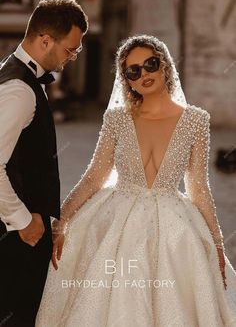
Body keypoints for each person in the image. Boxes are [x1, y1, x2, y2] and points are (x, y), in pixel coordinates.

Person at [36, 35, 236, 327]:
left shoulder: (197, 120)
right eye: (133, 71)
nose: (144, 74)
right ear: (126, 80)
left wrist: (217, 245)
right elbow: (95, 176)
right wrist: (61, 222)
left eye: (150, 64)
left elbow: (198, 187)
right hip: (116, 223)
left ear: (164, 66)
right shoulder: (117, 119)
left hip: (175, 230)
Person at [0, 0, 88, 327]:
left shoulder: (16, 76)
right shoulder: (19, 90)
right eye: (70, 50)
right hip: (17, 238)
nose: (72, 58)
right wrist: (23, 220)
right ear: (45, 39)